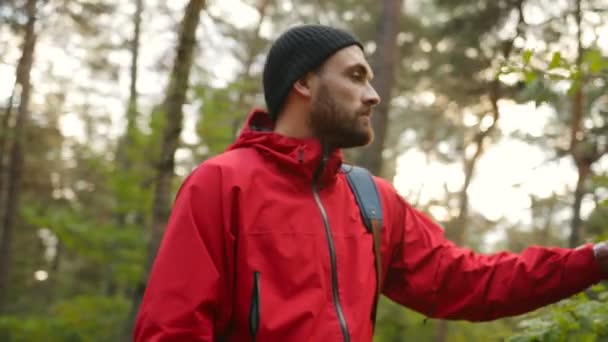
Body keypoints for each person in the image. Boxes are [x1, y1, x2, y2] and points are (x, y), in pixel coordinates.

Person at [134, 24, 608, 342]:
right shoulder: (221, 184)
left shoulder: (371, 200)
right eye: (356, 77)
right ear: (303, 84)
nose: (373, 95)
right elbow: (170, 329)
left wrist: (593, 262)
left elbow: (466, 281)